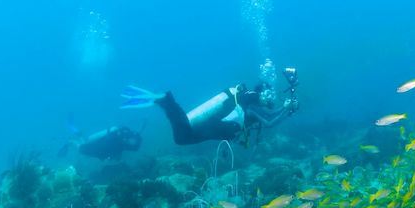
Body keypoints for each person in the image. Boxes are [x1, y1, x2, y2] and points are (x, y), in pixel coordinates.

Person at [121, 68, 299, 146]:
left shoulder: (249, 103)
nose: (270, 102)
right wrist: (286, 108)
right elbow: (269, 123)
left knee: (183, 135)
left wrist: (287, 109)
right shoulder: (250, 104)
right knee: (183, 137)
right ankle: (167, 101)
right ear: (262, 95)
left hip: (218, 127)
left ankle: (166, 102)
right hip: (217, 126)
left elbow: (271, 115)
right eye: (269, 98)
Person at [63, 126, 143, 160]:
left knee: (83, 146)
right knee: (81, 149)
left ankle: (78, 135)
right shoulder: (121, 142)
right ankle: (72, 141)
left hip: (100, 149)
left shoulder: (122, 143)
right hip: (98, 148)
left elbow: (135, 148)